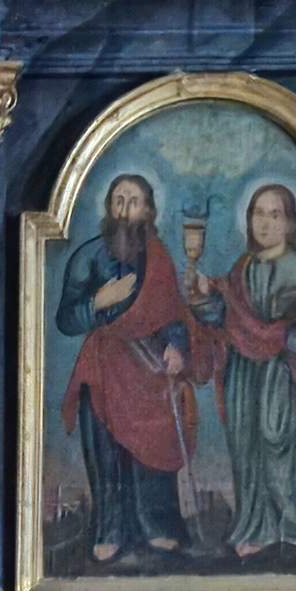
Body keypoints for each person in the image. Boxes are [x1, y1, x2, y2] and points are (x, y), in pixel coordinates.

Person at [187, 181, 296, 563]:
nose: (265, 222)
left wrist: (277, 336)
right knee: (247, 448)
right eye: (259, 213)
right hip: (243, 375)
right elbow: (223, 320)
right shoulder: (242, 270)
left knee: (283, 446)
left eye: (275, 214)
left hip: (286, 377)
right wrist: (205, 298)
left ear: (290, 222)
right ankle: (254, 528)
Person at [55, 173, 194, 564]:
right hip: (103, 366)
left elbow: (173, 312)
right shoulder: (89, 255)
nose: (124, 209)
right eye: (118, 200)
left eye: (133, 201)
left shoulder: (159, 258)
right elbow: (66, 319)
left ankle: (158, 525)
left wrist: (176, 346)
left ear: (148, 210)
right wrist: (98, 300)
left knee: (152, 449)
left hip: (149, 367)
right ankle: (109, 530)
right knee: (107, 453)